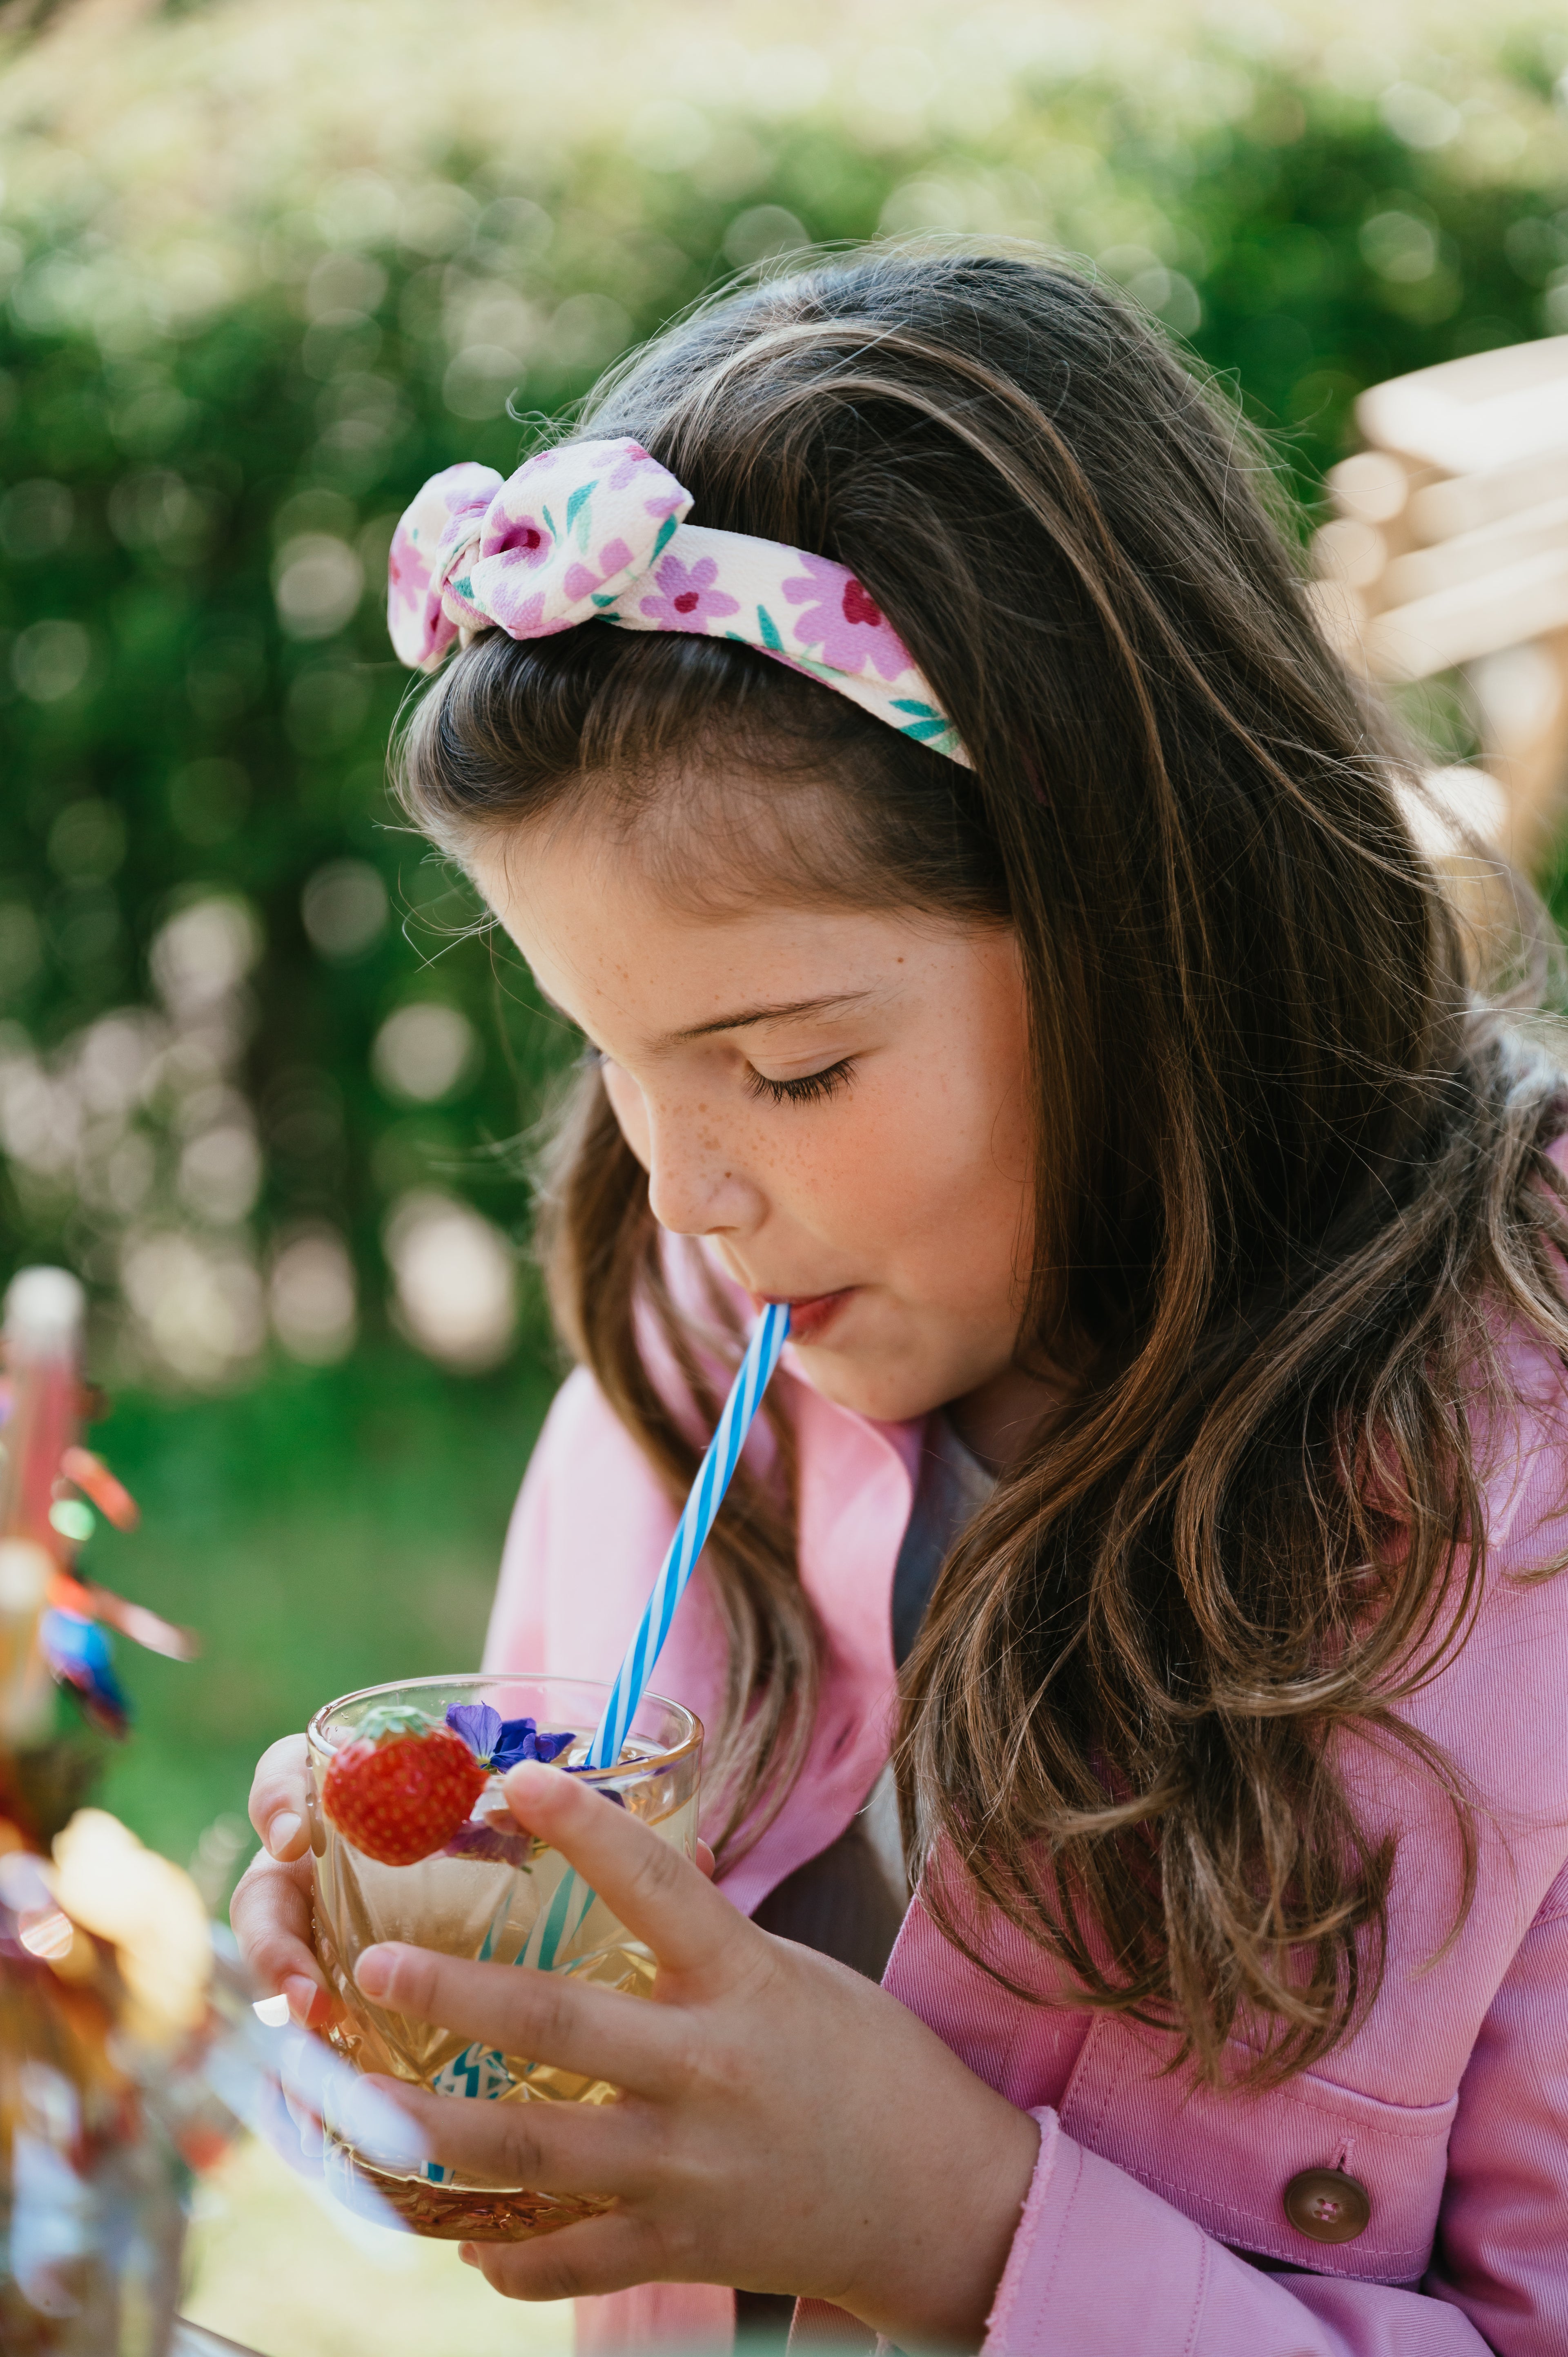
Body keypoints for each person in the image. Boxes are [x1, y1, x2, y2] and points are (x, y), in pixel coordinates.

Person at [233, 249, 1568, 2354]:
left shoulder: (1530, 1493)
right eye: (610, 1049)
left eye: (788, 1068)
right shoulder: (684, 1374)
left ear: (1157, 931)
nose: (686, 1191)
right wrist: (456, 1969)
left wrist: (950, 2226)